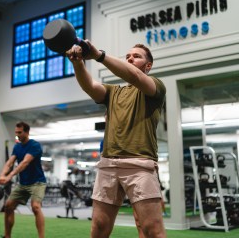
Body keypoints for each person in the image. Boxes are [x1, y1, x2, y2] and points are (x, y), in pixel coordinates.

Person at [66, 42, 166, 238]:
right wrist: (78, 64)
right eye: (128, 56)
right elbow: (90, 87)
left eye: (136, 56)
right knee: (99, 227)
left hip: (139, 164)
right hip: (108, 164)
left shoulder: (155, 87)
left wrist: (99, 55)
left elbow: (134, 76)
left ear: (148, 65)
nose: (130, 58)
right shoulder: (114, 92)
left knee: (151, 230)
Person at [0, 121, 47, 238]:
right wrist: (2, 175)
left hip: (37, 182)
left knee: (35, 207)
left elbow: (25, 163)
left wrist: (9, 176)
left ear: (27, 132)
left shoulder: (35, 145)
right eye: (16, 133)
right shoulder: (17, 147)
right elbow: (10, 162)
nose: (17, 135)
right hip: (23, 183)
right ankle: (7, 236)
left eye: (20, 132)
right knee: (8, 205)